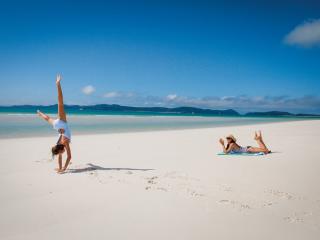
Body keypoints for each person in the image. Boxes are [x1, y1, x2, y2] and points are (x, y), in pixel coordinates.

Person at [37, 74, 72, 173]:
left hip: (61, 123)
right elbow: (62, 156)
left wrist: (64, 169)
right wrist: (61, 168)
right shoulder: (59, 145)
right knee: (47, 118)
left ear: (60, 149)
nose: (62, 154)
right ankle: (39, 113)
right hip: (56, 126)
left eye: (60, 153)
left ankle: (57, 84)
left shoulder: (63, 143)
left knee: (60, 101)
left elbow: (69, 157)